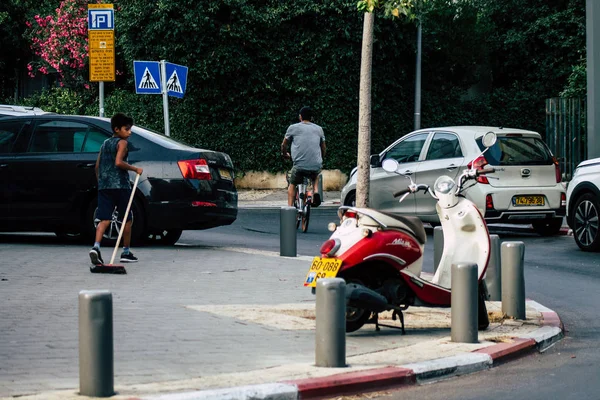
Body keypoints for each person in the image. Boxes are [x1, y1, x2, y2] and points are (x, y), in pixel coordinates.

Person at [89, 113, 143, 265]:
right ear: (117, 129)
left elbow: (97, 166)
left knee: (104, 218)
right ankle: (125, 251)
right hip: (120, 186)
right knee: (126, 218)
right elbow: (119, 163)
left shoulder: (104, 143)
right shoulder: (122, 143)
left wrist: (101, 181)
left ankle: (96, 247)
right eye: (127, 129)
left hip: (104, 187)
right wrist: (135, 169)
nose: (129, 132)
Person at [281, 106, 326, 207]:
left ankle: (290, 209)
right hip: (315, 164)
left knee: (292, 184)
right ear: (311, 118)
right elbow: (323, 148)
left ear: (300, 117)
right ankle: (315, 191)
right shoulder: (319, 129)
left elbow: (284, 145)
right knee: (316, 174)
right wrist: (321, 159)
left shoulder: (292, 128)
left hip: (299, 166)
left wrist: (284, 154)